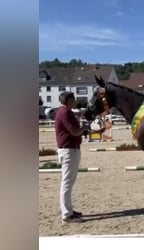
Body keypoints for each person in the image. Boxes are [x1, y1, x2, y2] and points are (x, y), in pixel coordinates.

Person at [55, 92, 104, 223]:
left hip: (71, 149)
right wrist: (85, 128)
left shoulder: (66, 112)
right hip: (68, 150)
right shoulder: (65, 113)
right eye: (73, 99)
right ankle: (66, 213)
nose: (75, 101)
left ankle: (69, 210)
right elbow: (75, 131)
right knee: (67, 182)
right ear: (69, 100)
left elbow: (78, 131)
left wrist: (94, 131)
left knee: (69, 182)